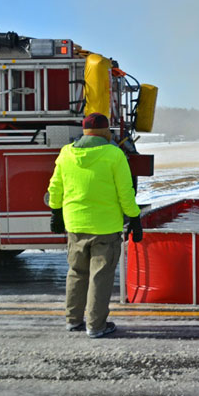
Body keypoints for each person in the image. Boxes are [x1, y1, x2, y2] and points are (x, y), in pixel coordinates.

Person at [47, 113, 142, 339]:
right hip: (105, 228)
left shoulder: (66, 153)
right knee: (99, 276)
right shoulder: (113, 154)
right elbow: (125, 193)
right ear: (105, 132)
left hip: (75, 225)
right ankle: (96, 325)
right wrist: (135, 218)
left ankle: (73, 320)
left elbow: (55, 187)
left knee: (77, 272)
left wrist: (55, 212)